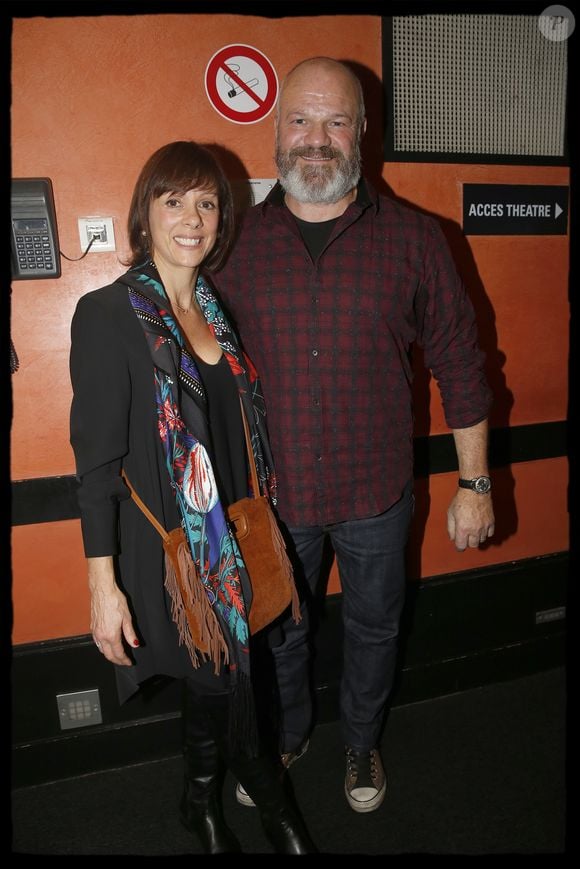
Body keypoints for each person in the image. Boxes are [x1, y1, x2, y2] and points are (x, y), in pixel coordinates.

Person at [212, 57, 495, 815]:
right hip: (277, 499)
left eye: (336, 120)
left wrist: (474, 485)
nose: (316, 138)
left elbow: (462, 366)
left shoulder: (417, 239)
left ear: (362, 134)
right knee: (281, 636)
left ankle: (361, 738)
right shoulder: (230, 246)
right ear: (276, 132)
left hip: (378, 494)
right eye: (300, 120)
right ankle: (289, 732)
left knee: (375, 628)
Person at [69, 140, 317, 854]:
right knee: (224, 676)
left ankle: (198, 800)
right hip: (171, 549)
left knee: (224, 678)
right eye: (173, 199)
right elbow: (96, 464)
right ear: (145, 214)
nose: (192, 217)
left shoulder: (215, 308)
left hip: (234, 535)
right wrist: (102, 585)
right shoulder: (108, 313)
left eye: (207, 202)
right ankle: (272, 804)